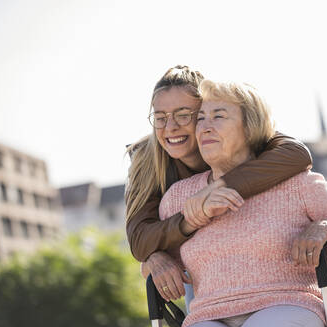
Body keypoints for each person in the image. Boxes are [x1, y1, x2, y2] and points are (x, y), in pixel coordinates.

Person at [157, 79, 327, 327]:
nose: (205, 127)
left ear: (250, 128)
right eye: (200, 118)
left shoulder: (296, 184)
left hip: (285, 305)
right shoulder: (177, 198)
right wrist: (153, 260)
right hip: (207, 316)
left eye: (218, 116)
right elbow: (159, 255)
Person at [126, 65, 314, 302]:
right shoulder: (147, 159)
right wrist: (158, 252)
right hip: (204, 274)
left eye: (184, 115)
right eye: (160, 118)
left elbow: (297, 154)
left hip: (275, 269)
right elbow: (140, 239)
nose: (170, 127)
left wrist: (217, 187)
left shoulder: (240, 133)